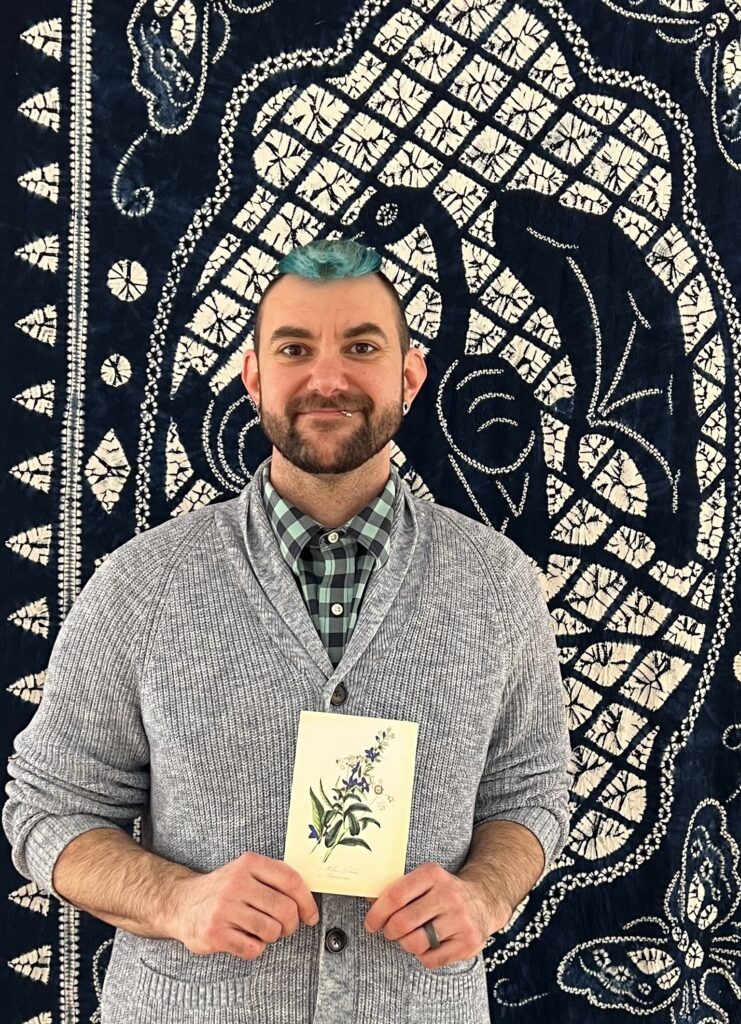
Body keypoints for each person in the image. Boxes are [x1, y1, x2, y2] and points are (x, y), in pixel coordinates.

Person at [3, 238, 572, 1024]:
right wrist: (178, 900)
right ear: (254, 377)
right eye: (295, 349)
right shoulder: (141, 585)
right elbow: (46, 809)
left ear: (410, 375)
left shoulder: (499, 584)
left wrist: (485, 892)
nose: (327, 379)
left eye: (361, 347)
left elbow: (531, 788)